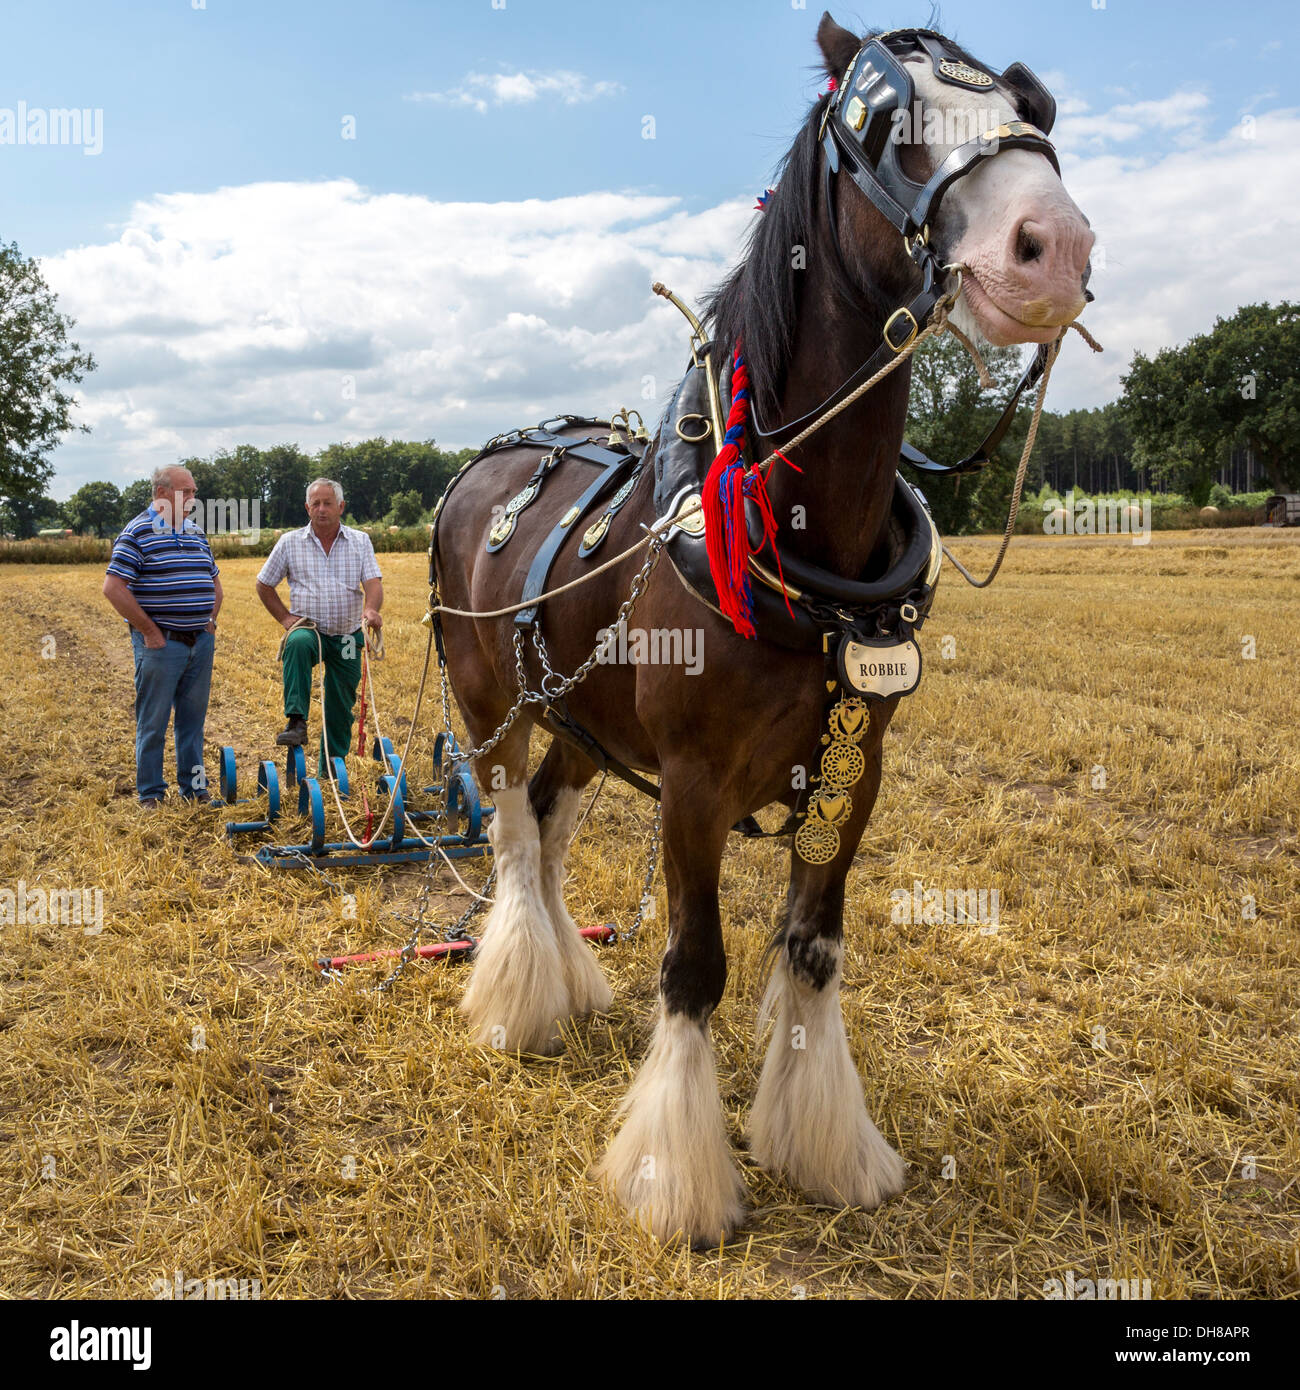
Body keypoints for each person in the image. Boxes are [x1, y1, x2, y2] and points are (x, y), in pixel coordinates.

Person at [102, 465, 221, 808]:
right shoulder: (137, 531)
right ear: (161, 493)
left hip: (199, 641)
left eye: (195, 492)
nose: (194, 499)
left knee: (193, 723)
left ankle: (194, 790)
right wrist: (150, 632)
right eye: (188, 492)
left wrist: (209, 620)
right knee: (153, 722)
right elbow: (113, 587)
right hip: (161, 644)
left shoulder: (195, 532)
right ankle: (151, 795)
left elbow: (213, 580)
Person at [255, 478, 383, 774]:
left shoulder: (360, 541)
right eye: (316, 503)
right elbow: (264, 585)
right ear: (307, 507)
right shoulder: (289, 542)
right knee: (297, 642)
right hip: (309, 629)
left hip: (349, 636)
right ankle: (296, 721)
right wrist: (286, 619)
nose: (321, 509)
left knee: (341, 705)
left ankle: (331, 774)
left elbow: (373, 583)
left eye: (328, 503)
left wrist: (371, 609)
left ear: (341, 507)